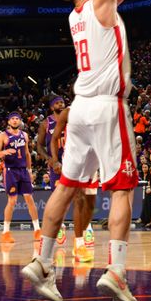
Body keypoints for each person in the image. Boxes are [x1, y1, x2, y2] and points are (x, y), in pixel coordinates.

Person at [21, 0, 146, 301]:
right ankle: (117, 271)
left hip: (80, 112)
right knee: (124, 188)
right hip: (109, 107)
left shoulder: (76, 15)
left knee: (66, 186)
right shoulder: (96, 3)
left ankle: (41, 262)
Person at [49, 106, 100, 264]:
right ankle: (79, 244)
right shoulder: (68, 112)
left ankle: (81, 236)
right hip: (74, 160)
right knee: (79, 199)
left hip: (92, 159)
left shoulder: (99, 110)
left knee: (91, 204)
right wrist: (55, 159)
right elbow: (54, 138)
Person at [0, 113, 41, 243]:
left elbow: (27, 153)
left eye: (17, 119)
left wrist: (30, 170)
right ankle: (6, 232)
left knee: (29, 198)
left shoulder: (24, 135)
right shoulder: (2, 135)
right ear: (8, 121)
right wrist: (5, 152)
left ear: (20, 121)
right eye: (12, 119)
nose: (15, 121)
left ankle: (37, 230)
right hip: (10, 171)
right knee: (12, 200)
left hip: (23, 170)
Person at [36, 97, 68, 245]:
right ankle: (59, 226)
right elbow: (39, 146)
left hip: (71, 159)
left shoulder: (71, 118)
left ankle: (86, 229)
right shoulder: (45, 123)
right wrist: (49, 159)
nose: (61, 105)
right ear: (51, 107)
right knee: (57, 197)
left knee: (77, 194)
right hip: (56, 163)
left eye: (62, 102)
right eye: (57, 103)